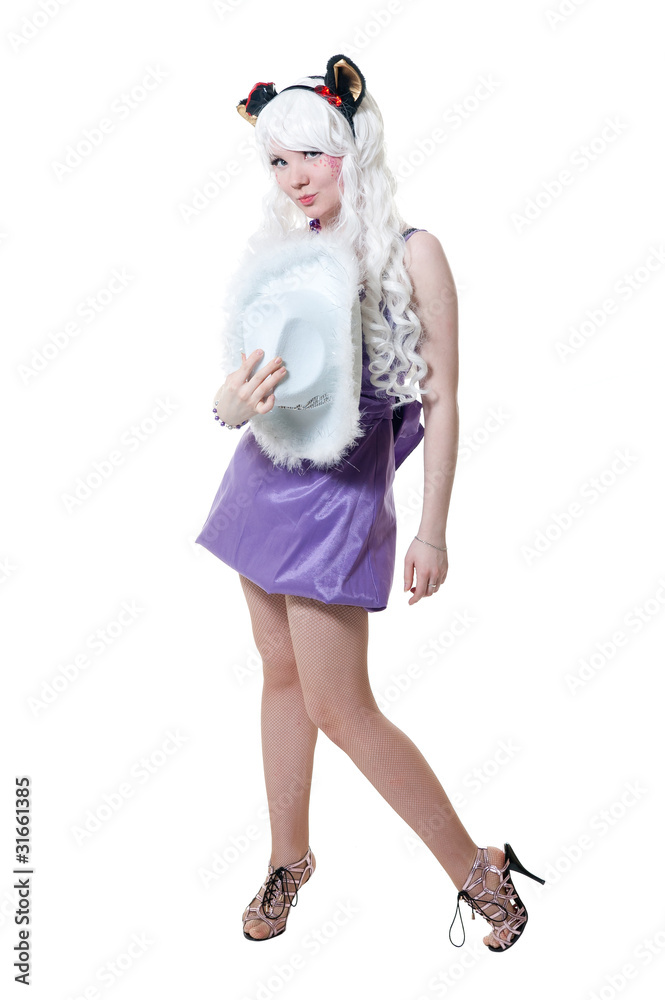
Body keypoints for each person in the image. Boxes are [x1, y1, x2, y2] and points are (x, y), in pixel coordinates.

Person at [195, 55, 543, 950]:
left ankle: (478, 868)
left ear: (353, 148)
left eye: (310, 154)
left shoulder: (414, 251)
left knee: (340, 708)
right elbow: (244, 381)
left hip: (339, 503)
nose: (294, 176)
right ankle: (289, 859)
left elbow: (444, 399)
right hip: (261, 484)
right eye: (278, 161)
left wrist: (432, 530)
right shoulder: (286, 254)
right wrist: (228, 404)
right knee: (279, 676)